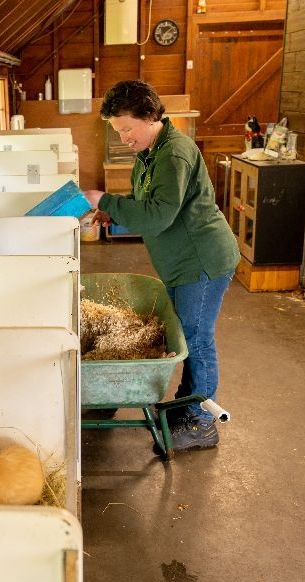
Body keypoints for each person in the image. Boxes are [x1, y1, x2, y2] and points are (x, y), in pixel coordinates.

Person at [84, 80, 240, 450]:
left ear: (149, 117)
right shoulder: (153, 152)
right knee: (186, 335)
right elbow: (147, 202)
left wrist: (105, 197)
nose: (123, 138)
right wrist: (112, 211)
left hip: (201, 261)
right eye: (118, 130)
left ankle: (202, 422)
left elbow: (159, 216)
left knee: (198, 340)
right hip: (180, 262)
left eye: (126, 128)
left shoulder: (174, 154)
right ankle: (187, 407)